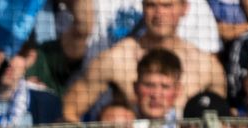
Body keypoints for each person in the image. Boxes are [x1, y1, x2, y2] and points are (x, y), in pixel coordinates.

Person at [64, 0, 228, 119]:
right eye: (151, 5)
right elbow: (70, 109)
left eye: (167, 5)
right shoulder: (116, 59)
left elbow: (222, 120)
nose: (159, 14)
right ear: (143, 7)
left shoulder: (206, 66)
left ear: (184, 8)